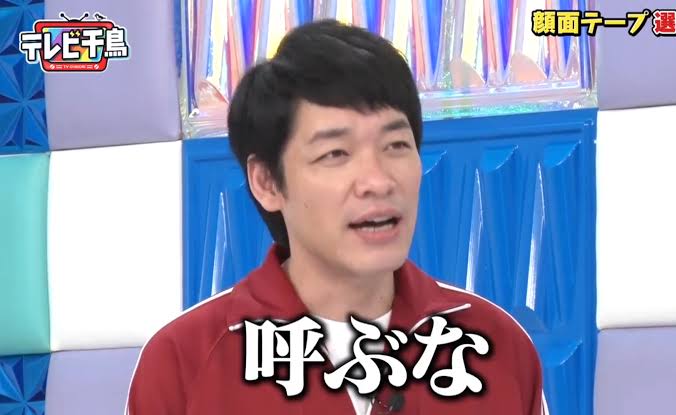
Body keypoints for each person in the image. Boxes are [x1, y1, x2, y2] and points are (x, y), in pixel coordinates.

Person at [126, 19, 547, 415]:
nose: (378, 181)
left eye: (396, 145)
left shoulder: (496, 347)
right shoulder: (183, 361)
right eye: (335, 154)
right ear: (267, 182)